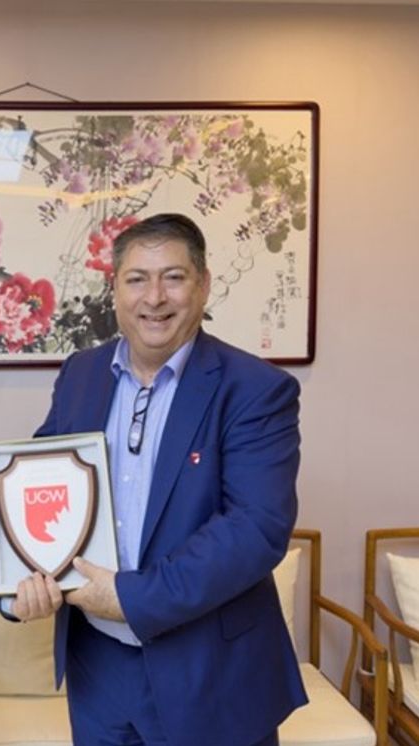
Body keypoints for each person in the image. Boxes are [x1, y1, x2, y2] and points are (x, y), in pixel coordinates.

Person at [20, 213, 306, 746]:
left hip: (210, 668)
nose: (154, 297)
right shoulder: (81, 372)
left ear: (203, 285)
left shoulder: (256, 390)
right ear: (115, 289)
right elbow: (43, 471)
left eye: (173, 277)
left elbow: (255, 528)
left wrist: (131, 597)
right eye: (136, 279)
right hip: (98, 666)